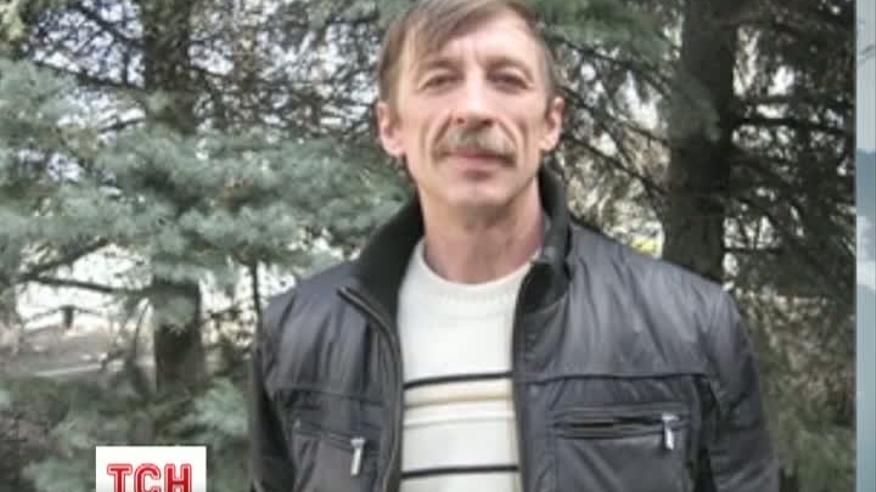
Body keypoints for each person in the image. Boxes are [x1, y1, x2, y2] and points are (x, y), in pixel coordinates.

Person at [248, 0, 778, 491]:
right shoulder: (298, 337)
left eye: (506, 80)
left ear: (551, 123)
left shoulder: (690, 326)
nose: (474, 109)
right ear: (391, 128)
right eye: (439, 79)